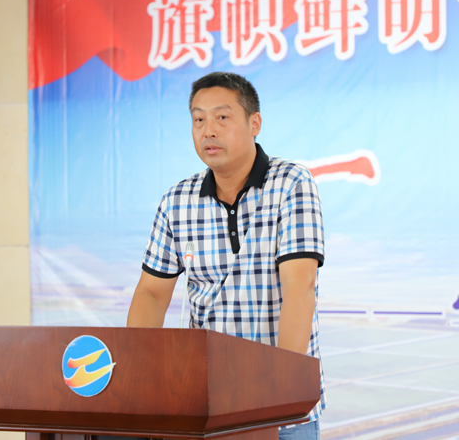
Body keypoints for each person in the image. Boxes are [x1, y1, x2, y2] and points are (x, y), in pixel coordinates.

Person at [127, 72, 326, 440]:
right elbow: (152, 294)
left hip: (281, 408)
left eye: (222, 117)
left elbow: (300, 286)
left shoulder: (291, 183)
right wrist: (134, 376)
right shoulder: (177, 200)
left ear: (254, 123)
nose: (208, 131)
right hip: (207, 405)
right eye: (198, 119)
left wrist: (282, 391)